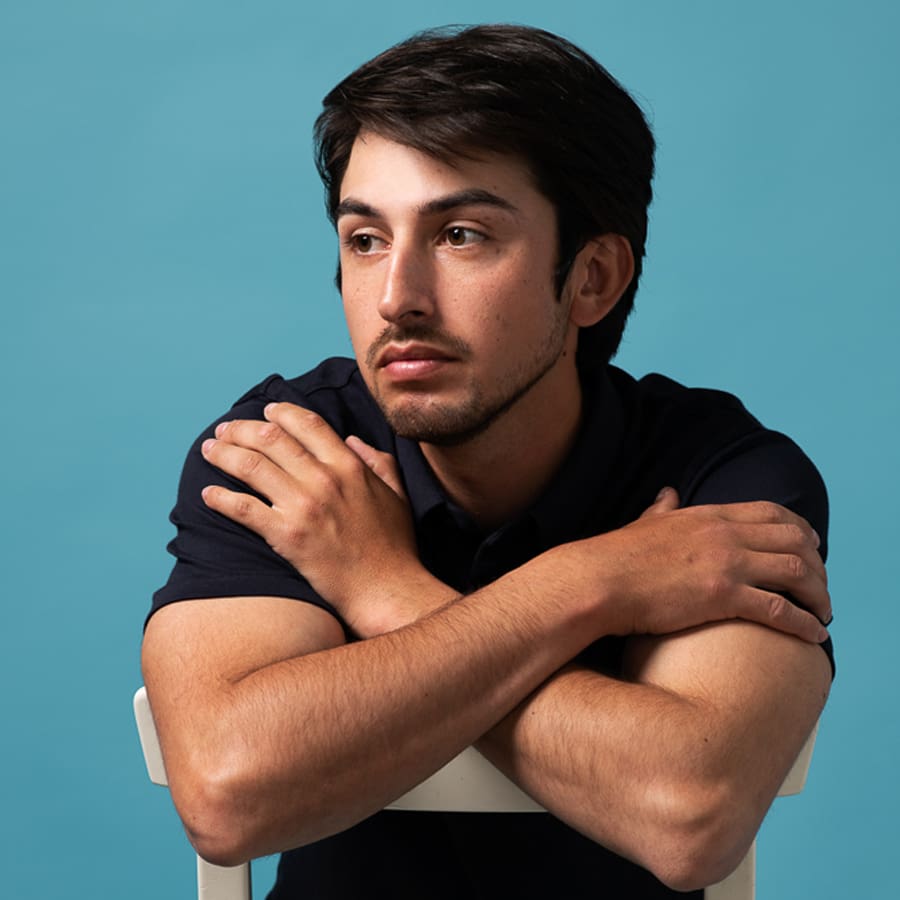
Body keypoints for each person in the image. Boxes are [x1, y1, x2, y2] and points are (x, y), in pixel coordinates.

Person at [142, 24, 833, 899]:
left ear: (592, 279)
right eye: (365, 240)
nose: (397, 299)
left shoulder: (722, 479)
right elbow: (229, 796)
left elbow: (689, 814)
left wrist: (384, 590)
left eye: (462, 234)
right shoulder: (291, 453)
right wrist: (595, 582)